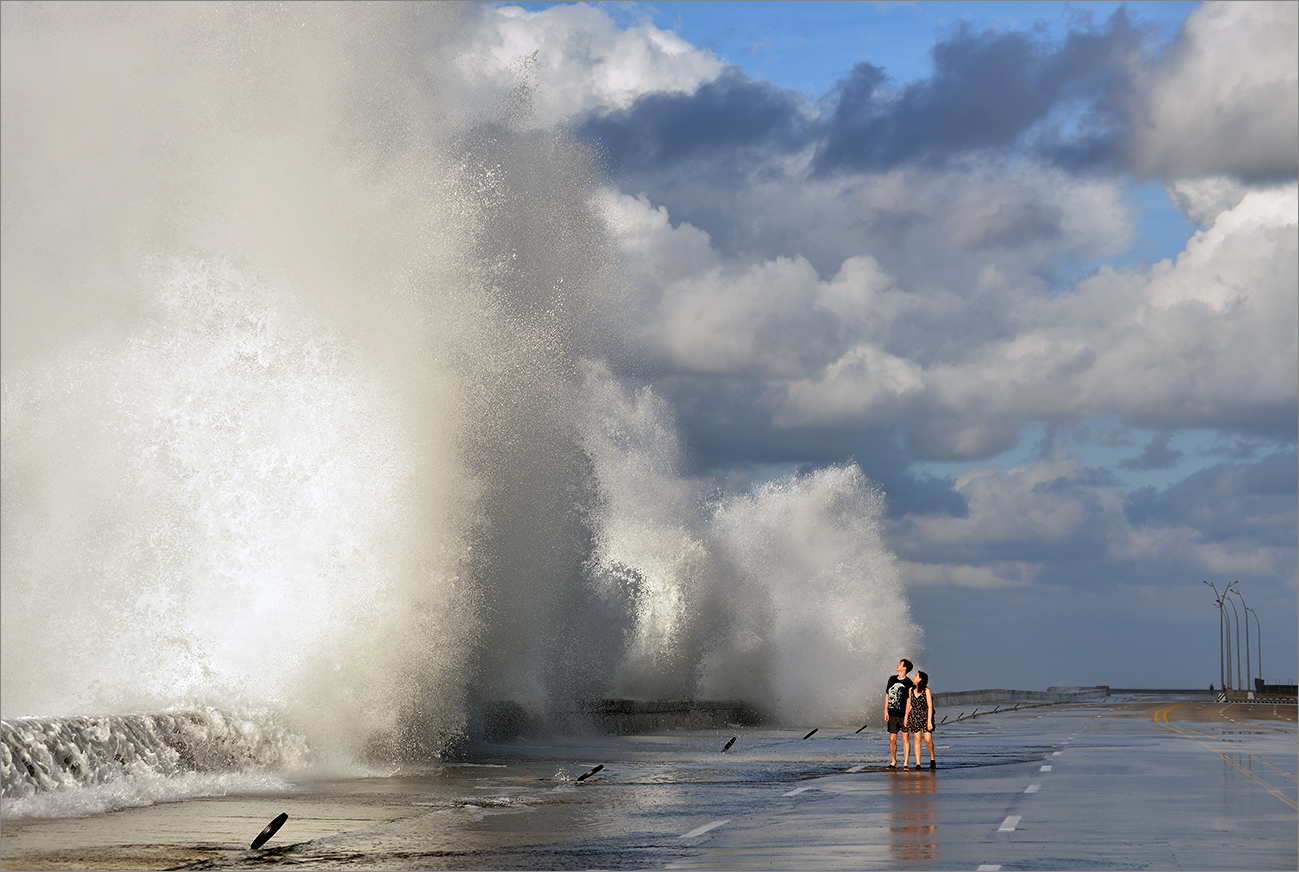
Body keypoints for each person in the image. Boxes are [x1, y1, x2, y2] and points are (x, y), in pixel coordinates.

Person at [904, 670, 936, 769]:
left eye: (916, 676)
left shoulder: (926, 690)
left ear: (921, 679)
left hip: (925, 716)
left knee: (927, 740)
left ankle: (932, 758)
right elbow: (909, 705)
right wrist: (906, 717)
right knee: (917, 739)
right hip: (914, 716)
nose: (913, 677)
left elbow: (930, 706)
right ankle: (918, 763)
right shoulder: (910, 690)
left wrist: (929, 721)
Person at [885, 659, 913, 768]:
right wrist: (885, 710)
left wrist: (907, 716)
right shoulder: (892, 679)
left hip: (903, 714)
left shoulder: (908, 683)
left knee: (905, 738)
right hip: (892, 713)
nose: (897, 665)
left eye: (900, 664)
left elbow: (909, 701)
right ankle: (893, 762)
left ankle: (906, 763)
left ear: (904, 668)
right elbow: (887, 694)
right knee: (892, 739)